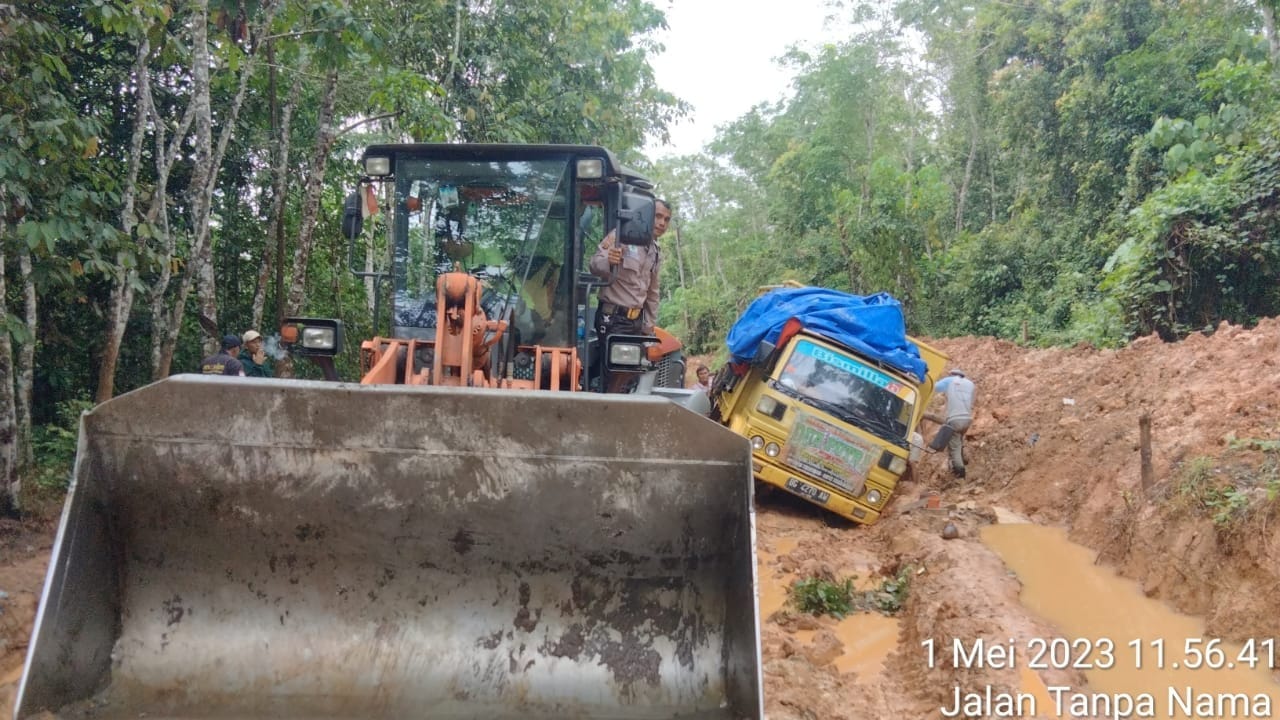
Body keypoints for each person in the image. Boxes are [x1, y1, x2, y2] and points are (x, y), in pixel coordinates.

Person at [588, 198, 671, 392]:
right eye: (658, 216)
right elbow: (594, 264)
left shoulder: (655, 251)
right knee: (614, 374)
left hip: (635, 321)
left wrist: (649, 329)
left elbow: (652, 293)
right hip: (613, 317)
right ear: (646, 216)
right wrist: (608, 260)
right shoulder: (620, 236)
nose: (662, 223)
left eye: (667, 219)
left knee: (629, 375)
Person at [928, 368, 976, 478]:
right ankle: (961, 461)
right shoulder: (970, 384)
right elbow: (972, 400)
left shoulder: (950, 380)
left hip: (955, 419)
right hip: (967, 419)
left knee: (954, 448)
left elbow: (934, 387)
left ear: (953, 374)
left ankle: (960, 474)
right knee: (958, 442)